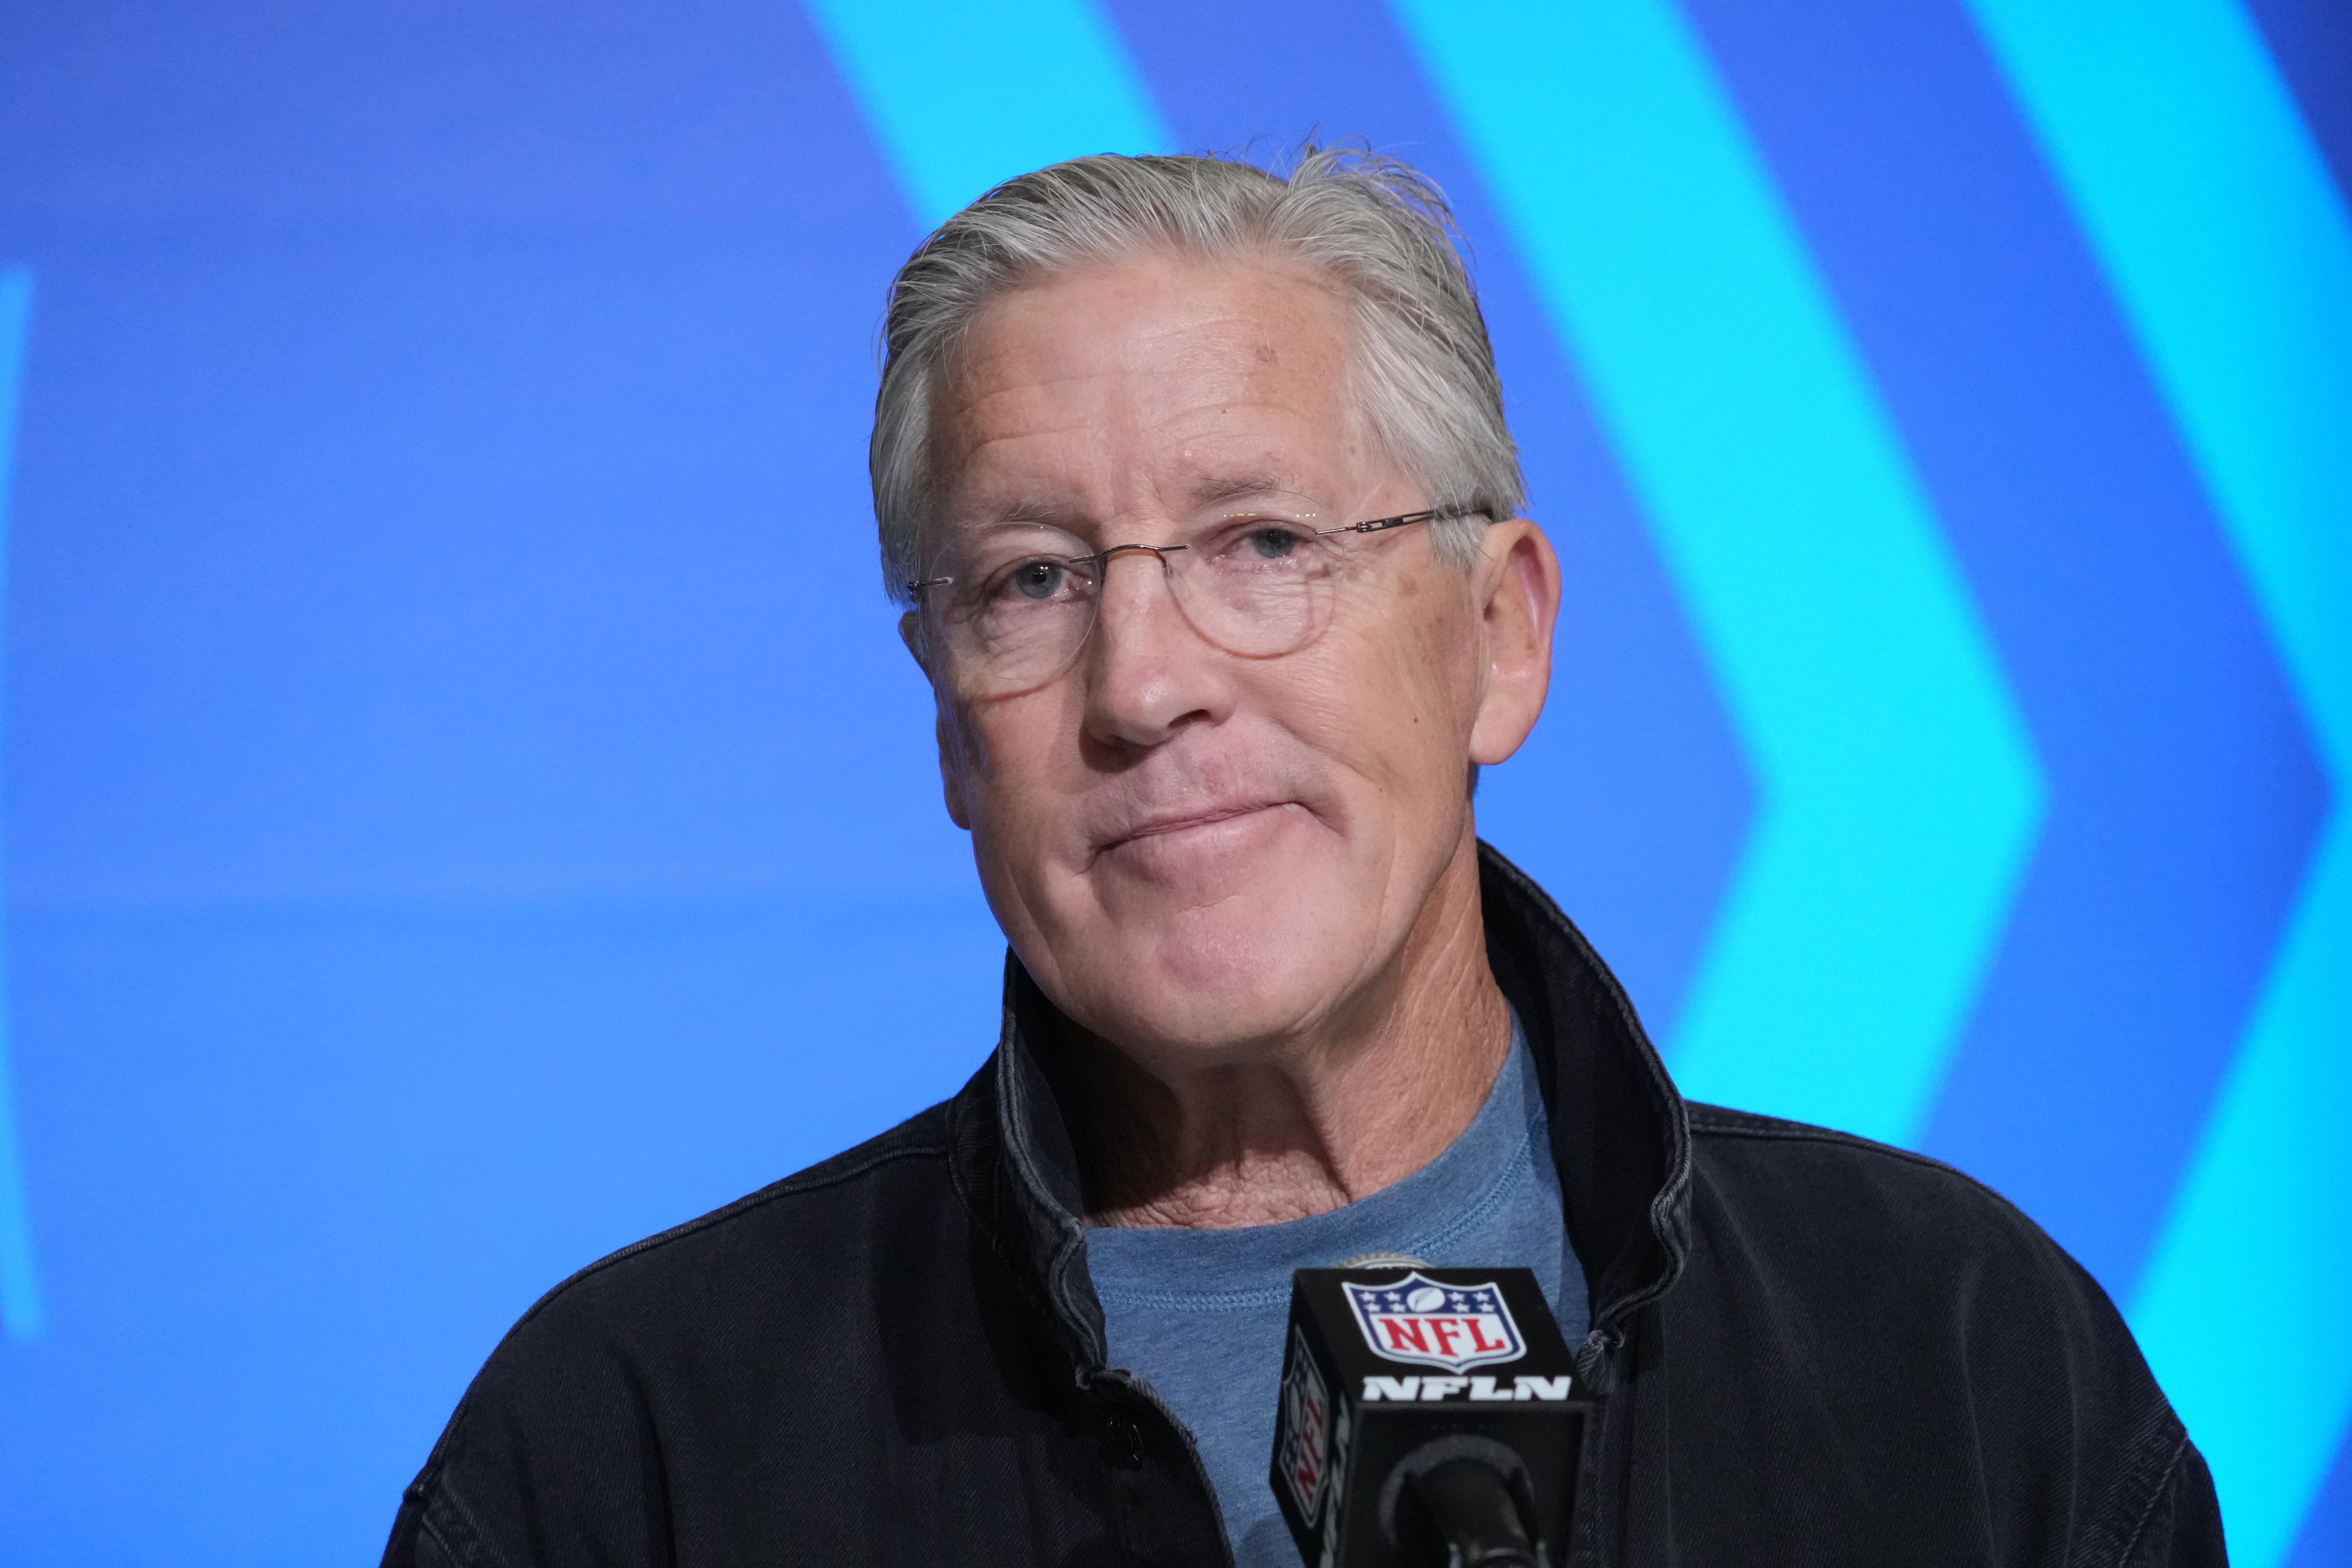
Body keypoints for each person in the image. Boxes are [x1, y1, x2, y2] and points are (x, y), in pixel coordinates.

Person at [381, 148, 2224, 1567]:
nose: (1145, 681)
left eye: (1259, 540)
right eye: (1031, 579)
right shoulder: (632, 1450)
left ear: (1496, 635)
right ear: (953, 722)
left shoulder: (1960, 1364)